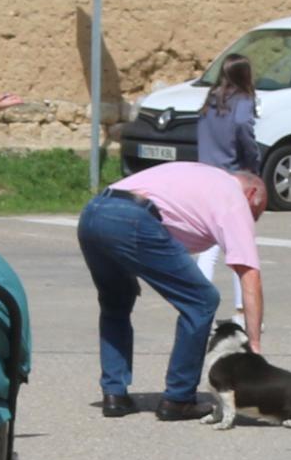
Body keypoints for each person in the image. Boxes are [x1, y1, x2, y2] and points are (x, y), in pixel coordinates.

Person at [80, 157, 264, 420]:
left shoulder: (202, 175)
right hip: (133, 217)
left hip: (93, 212)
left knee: (116, 302)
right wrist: (254, 345)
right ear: (253, 193)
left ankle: (114, 395)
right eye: (255, 213)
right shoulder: (234, 197)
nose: (251, 222)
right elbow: (250, 277)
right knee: (202, 300)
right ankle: (178, 398)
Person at [193, 55, 261, 175]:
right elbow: (242, 123)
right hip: (231, 172)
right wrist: (253, 162)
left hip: (205, 170)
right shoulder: (243, 100)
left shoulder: (211, 100)